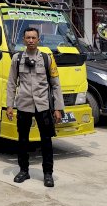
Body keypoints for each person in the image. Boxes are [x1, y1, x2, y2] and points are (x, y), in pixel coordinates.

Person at [5, 27, 64, 188]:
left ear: (39, 40)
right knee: (22, 140)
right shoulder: (17, 59)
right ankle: (24, 170)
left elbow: (56, 84)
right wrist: (9, 105)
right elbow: (11, 83)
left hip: (43, 105)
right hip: (24, 105)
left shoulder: (47, 59)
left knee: (46, 141)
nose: (30, 40)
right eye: (28, 38)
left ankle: (48, 174)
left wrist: (58, 108)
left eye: (33, 38)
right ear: (23, 40)